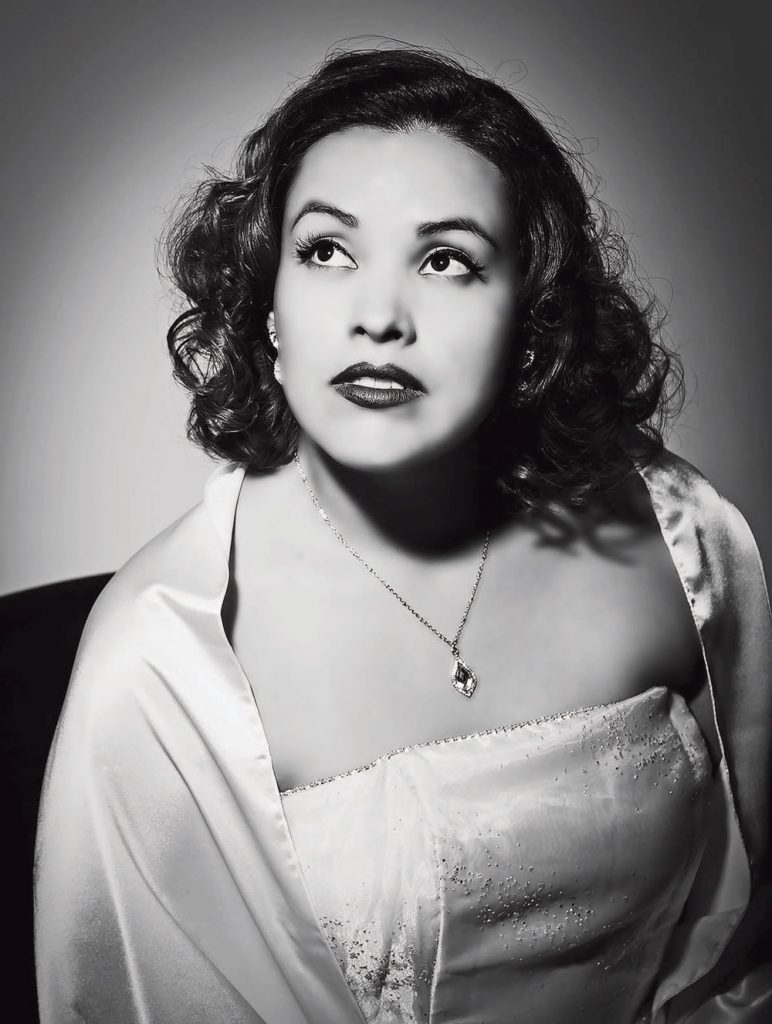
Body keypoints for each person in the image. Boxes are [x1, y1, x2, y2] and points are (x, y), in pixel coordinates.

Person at [33, 45, 772, 1024]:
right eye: (326, 251)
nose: (378, 316)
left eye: (446, 259)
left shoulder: (679, 534)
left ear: (530, 324)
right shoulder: (162, 653)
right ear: (267, 305)